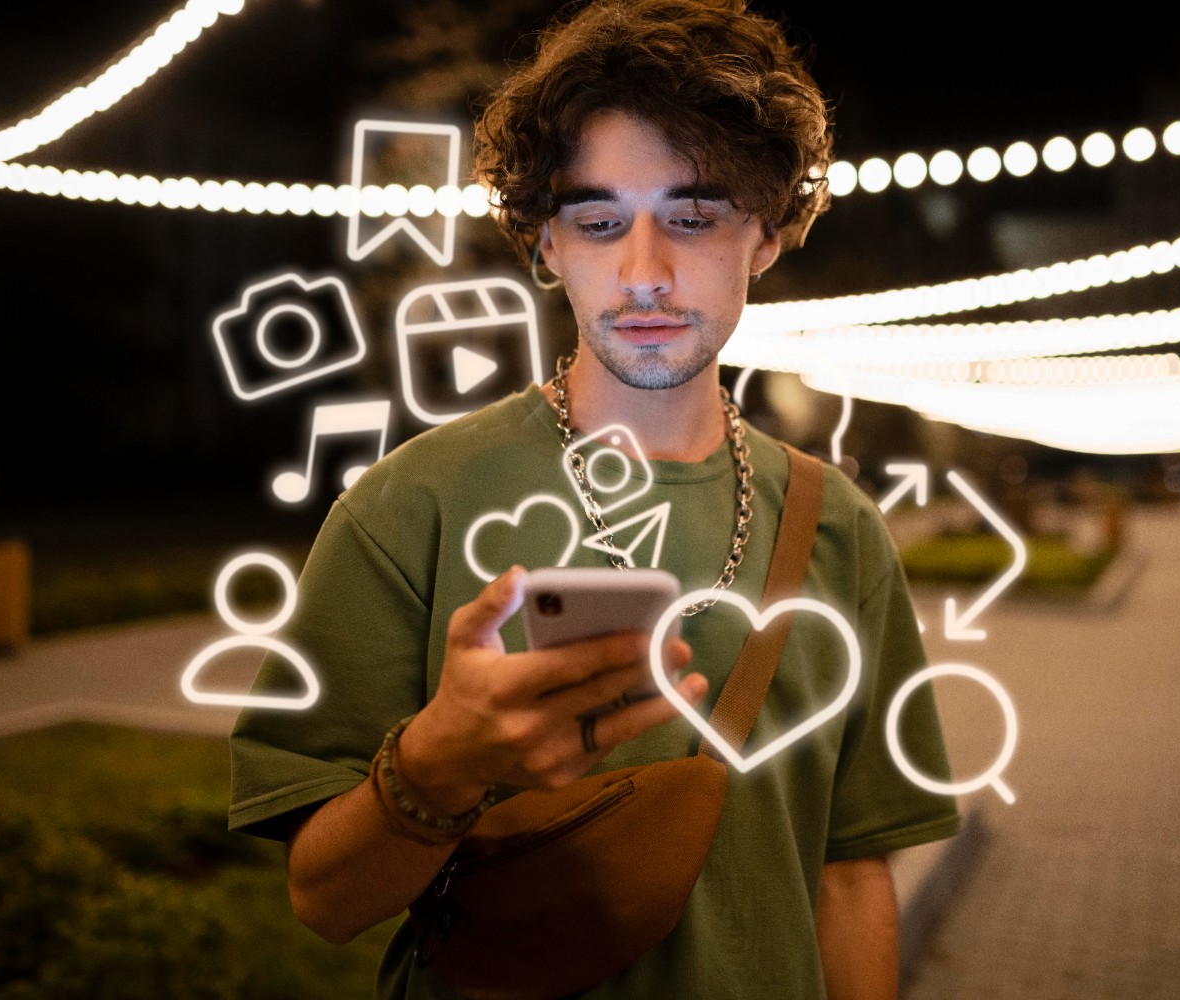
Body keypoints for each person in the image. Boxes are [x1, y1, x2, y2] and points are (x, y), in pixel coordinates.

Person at [229, 1, 960, 997]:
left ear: (770, 233)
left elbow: (850, 875)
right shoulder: (409, 506)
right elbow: (323, 899)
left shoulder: (842, 530)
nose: (646, 273)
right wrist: (435, 769)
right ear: (544, 242)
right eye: (600, 219)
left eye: (695, 218)